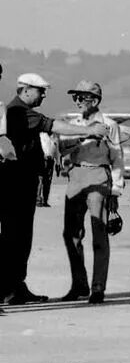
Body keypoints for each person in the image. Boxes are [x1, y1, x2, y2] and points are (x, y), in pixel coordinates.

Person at [2, 73, 99, 305]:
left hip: (22, 181)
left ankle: (15, 285)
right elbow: (54, 125)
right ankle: (9, 287)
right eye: (40, 90)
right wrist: (90, 131)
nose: (44, 94)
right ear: (25, 89)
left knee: (19, 236)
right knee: (16, 236)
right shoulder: (20, 111)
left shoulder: (17, 110)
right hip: (17, 182)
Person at [58, 81, 124, 304]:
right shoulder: (72, 124)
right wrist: (81, 136)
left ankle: (98, 287)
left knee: (99, 234)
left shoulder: (109, 125)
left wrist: (115, 189)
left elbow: (117, 158)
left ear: (94, 100)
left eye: (81, 97)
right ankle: (79, 284)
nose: (77, 102)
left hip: (98, 176)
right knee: (71, 233)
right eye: (75, 97)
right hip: (76, 176)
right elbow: (62, 148)